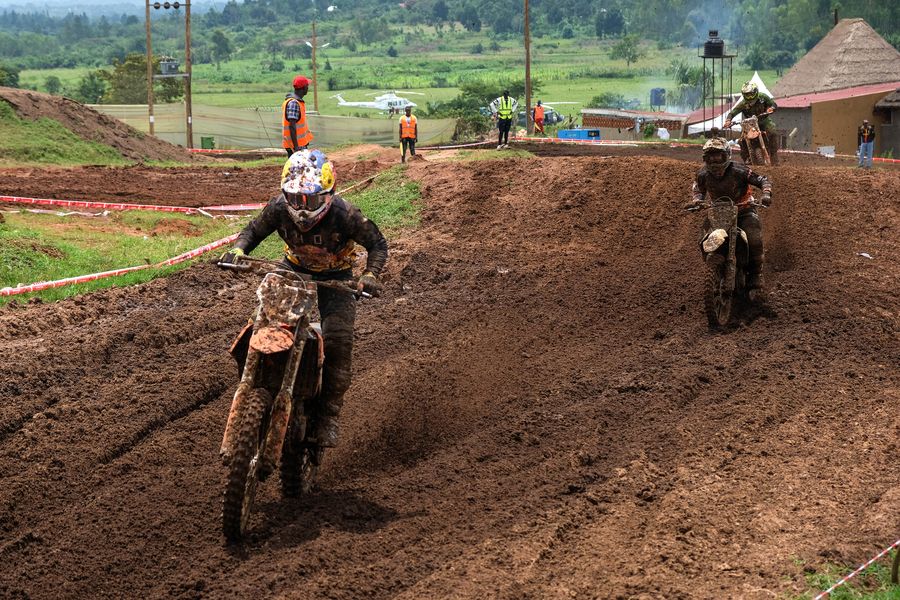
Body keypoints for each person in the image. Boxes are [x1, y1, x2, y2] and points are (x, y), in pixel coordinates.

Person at [220, 149, 388, 447]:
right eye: (295, 199)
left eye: (309, 200)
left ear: (327, 195)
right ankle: (256, 378)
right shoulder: (279, 208)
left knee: (338, 341)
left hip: (338, 278)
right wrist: (238, 250)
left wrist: (370, 275)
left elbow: (377, 244)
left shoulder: (345, 214)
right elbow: (253, 230)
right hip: (293, 269)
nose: (301, 208)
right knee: (259, 322)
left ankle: (328, 416)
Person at [687, 137, 772, 301]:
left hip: (744, 208)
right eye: (710, 157)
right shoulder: (702, 174)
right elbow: (698, 189)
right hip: (718, 211)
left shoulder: (739, 170)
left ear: (727, 155)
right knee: (703, 238)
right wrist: (697, 201)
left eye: (718, 156)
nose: (714, 161)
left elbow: (763, 180)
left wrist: (766, 194)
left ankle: (756, 274)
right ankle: (715, 264)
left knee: (754, 237)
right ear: (705, 158)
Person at [723, 82, 779, 165]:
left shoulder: (762, 97)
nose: (749, 97)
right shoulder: (743, 103)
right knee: (742, 140)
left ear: (755, 91)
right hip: (749, 124)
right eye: (747, 94)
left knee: (772, 132)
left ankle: (774, 156)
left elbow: (773, 104)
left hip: (764, 120)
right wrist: (728, 120)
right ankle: (747, 158)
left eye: (751, 94)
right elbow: (733, 112)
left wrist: (771, 108)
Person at [281, 75, 314, 156]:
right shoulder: (294, 103)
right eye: (307, 86)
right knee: (298, 164)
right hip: (296, 146)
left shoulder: (296, 102)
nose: (308, 88)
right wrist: (296, 147)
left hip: (298, 144)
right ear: (303, 88)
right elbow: (292, 126)